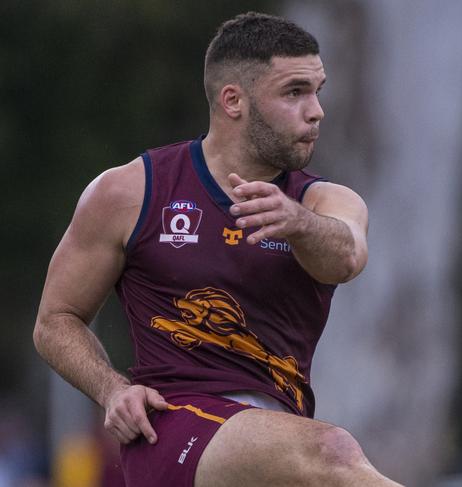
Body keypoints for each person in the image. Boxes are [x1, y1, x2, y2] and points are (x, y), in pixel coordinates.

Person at [33, 11, 402, 487]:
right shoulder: (131, 191)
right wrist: (112, 390)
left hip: (275, 441)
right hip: (171, 425)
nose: (316, 111)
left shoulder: (324, 202)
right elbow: (54, 320)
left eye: (318, 90)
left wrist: (298, 223)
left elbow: (347, 257)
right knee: (332, 452)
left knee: (321, 453)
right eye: (295, 92)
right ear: (233, 101)